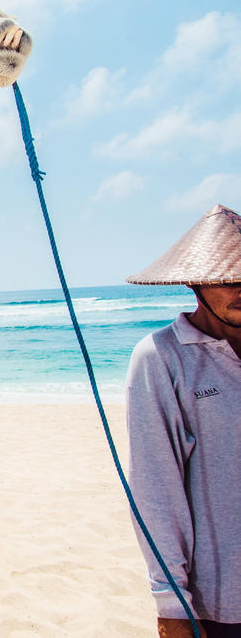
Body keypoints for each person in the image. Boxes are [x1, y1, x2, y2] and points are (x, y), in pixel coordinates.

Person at [124, 203, 241, 638]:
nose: (240, 287)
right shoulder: (161, 358)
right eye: (226, 279)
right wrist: (171, 601)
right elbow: (156, 487)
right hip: (223, 602)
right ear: (194, 281)